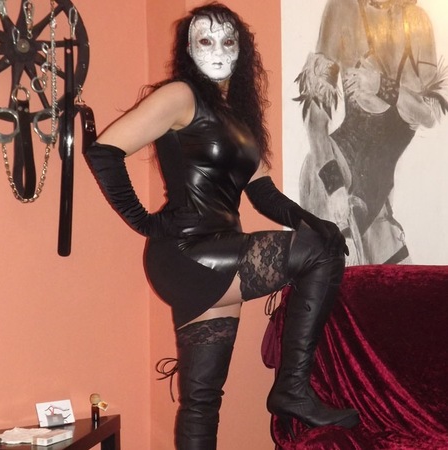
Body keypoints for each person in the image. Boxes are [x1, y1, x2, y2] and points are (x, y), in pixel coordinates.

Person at [84, 2, 359, 448]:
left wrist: (313, 220)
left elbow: (263, 194)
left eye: (228, 41)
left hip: (217, 253)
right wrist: (144, 222)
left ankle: (291, 389)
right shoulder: (180, 95)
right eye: (205, 40)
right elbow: (104, 152)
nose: (217, 50)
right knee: (319, 253)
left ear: (242, 50)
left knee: (201, 399)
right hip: (188, 252)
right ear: (188, 48)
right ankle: (292, 388)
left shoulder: (237, 118)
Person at [295, 0, 447, 265]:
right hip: (331, 177)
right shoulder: (341, 10)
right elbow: (315, 121)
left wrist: (381, 86)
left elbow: (431, 115)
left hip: (377, 202)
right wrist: (334, 188)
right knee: (343, 281)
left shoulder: (418, 22)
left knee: (403, 287)